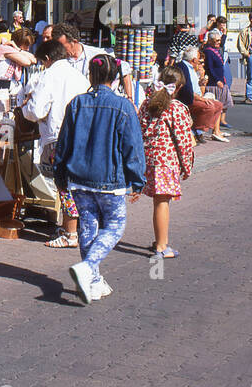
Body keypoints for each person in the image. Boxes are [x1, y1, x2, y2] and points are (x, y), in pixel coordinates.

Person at [55, 55, 146, 304]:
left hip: (79, 177)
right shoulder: (123, 106)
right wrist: (137, 179)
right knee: (115, 226)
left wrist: (60, 174)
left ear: (91, 76)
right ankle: (89, 268)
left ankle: (93, 280)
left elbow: (63, 144)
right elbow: (133, 147)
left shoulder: (77, 104)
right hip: (109, 178)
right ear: (115, 77)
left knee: (88, 225)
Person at [19, 39, 89, 248]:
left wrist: (24, 108)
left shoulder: (49, 75)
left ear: (48, 59)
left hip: (59, 136)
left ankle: (70, 234)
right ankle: (71, 226)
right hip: (81, 136)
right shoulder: (78, 75)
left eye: (42, 62)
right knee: (75, 185)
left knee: (64, 185)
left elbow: (35, 110)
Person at [136, 65, 195, 258]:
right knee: (162, 202)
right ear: (178, 87)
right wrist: (187, 166)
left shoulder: (146, 104)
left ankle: (159, 238)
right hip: (167, 161)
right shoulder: (177, 108)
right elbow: (184, 141)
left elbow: (138, 130)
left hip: (150, 158)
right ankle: (162, 246)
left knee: (158, 201)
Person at [177, 45, 227, 141]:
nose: (200, 61)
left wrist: (201, 83)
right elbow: (187, 90)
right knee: (210, 107)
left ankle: (198, 129)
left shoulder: (192, 69)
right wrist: (201, 98)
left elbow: (196, 87)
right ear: (194, 60)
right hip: (188, 99)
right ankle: (196, 129)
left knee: (218, 105)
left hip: (196, 96)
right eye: (199, 59)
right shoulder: (183, 68)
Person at [0, 27, 34, 117]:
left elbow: (34, 59)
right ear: (19, 42)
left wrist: (19, 49)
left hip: (9, 85)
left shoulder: (15, 50)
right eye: (26, 45)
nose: (28, 48)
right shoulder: (4, 48)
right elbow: (27, 62)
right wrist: (18, 50)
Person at [203, 28, 233, 130]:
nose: (218, 42)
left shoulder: (217, 50)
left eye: (219, 40)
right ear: (210, 41)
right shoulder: (208, 52)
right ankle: (214, 123)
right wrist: (217, 80)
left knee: (226, 101)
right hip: (214, 82)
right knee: (217, 103)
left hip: (221, 79)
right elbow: (209, 68)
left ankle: (222, 120)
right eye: (216, 41)